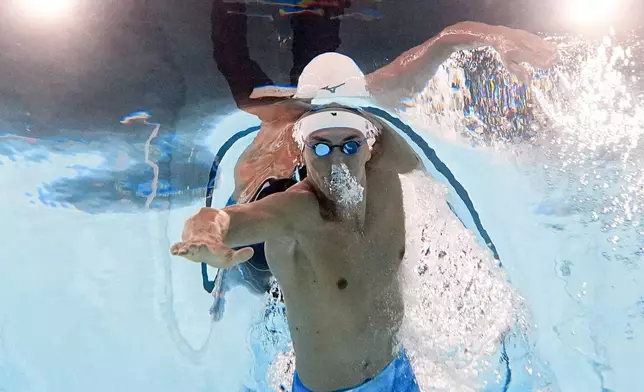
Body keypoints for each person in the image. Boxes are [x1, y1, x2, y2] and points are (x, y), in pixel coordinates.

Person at [172, 17, 557, 392]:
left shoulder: (377, 137)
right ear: (306, 143)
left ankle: (318, 12)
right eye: (320, 146)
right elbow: (226, 218)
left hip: (396, 372)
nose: (336, 156)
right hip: (266, 231)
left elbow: (436, 48)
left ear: (366, 133)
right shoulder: (295, 194)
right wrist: (209, 235)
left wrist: (496, 37)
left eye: (350, 143)